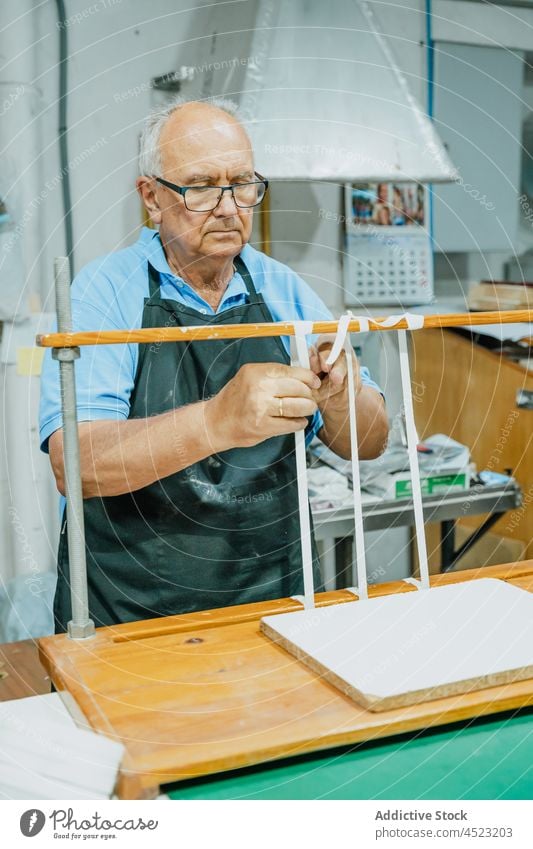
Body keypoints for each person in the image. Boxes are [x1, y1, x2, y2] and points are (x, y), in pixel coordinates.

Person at [40, 97, 388, 631]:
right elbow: (76, 464)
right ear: (151, 198)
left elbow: (369, 444)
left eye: (243, 184)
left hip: (275, 598)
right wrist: (215, 422)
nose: (229, 207)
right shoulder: (105, 294)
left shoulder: (282, 290)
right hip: (135, 607)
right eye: (201, 187)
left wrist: (343, 398)